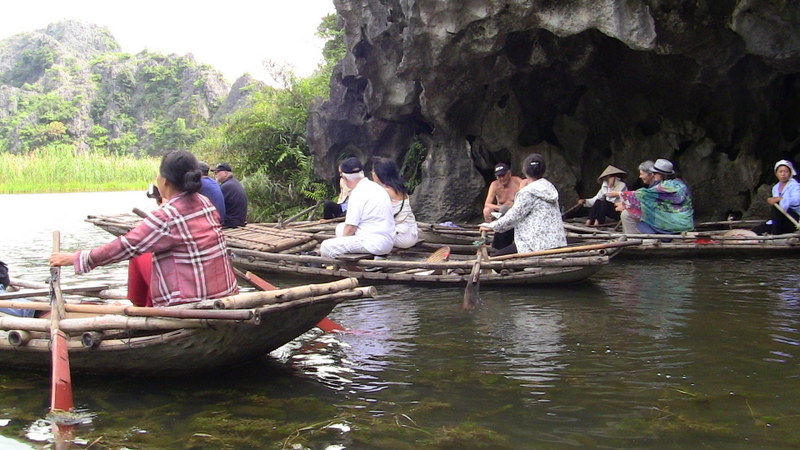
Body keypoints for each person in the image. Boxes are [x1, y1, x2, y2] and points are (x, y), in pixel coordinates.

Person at [49, 150, 238, 307]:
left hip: (190, 305)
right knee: (145, 253)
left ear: (164, 181)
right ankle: (142, 307)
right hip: (225, 296)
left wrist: (77, 258)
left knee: (138, 255)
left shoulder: (166, 216)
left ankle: (139, 308)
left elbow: (125, 246)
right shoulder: (204, 202)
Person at [479, 153, 567, 256]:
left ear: (524, 171)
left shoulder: (528, 192)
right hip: (557, 243)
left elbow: (512, 217)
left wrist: (491, 226)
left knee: (495, 258)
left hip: (537, 246)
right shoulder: (549, 187)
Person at [319, 157, 395, 258]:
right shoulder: (375, 187)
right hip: (386, 238)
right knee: (340, 228)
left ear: (345, 178)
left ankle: (351, 267)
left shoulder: (357, 193)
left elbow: (350, 227)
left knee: (326, 247)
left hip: (373, 242)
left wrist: (341, 244)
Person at [612, 158, 694, 234]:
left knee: (627, 215)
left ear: (661, 174)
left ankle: (633, 239)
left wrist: (620, 195)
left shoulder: (663, 187)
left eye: (654, 173)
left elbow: (643, 194)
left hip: (671, 223)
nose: (653, 175)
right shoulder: (680, 184)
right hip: (685, 222)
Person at [371, 156, 419, 248]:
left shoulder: (384, 191)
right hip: (411, 233)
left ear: (379, 174)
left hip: (402, 236)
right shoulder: (398, 187)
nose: (372, 174)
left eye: (373, 171)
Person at [751, 159, 800, 235]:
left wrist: (779, 199)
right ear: (776, 174)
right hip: (780, 221)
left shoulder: (795, 186)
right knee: (757, 230)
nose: (783, 174)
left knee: (777, 205)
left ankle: (775, 234)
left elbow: (797, 200)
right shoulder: (775, 188)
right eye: (780, 172)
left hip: (793, 219)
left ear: (790, 173)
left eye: (786, 171)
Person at [483, 162, 524, 250]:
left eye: (503, 175)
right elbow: (487, 203)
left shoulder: (518, 182)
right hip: (500, 214)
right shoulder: (494, 185)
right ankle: (493, 229)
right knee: (487, 210)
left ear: (509, 173)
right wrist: (500, 208)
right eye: (499, 176)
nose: (501, 179)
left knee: (505, 210)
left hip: (515, 213)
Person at [214, 163, 248, 228]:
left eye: (217, 172)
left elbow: (216, 206)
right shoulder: (233, 183)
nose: (215, 175)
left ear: (225, 173)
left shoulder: (226, 186)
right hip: (238, 220)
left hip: (231, 223)